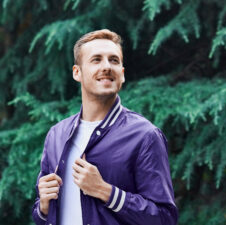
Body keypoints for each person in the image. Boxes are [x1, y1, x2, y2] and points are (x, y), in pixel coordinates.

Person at [32, 29, 178, 225]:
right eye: (96, 60)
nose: (107, 66)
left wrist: (104, 191)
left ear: (122, 74)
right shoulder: (57, 135)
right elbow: (41, 215)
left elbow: (164, 218)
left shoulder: (145, 135)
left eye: (114, 60)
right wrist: (43, 206)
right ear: (77, 72)